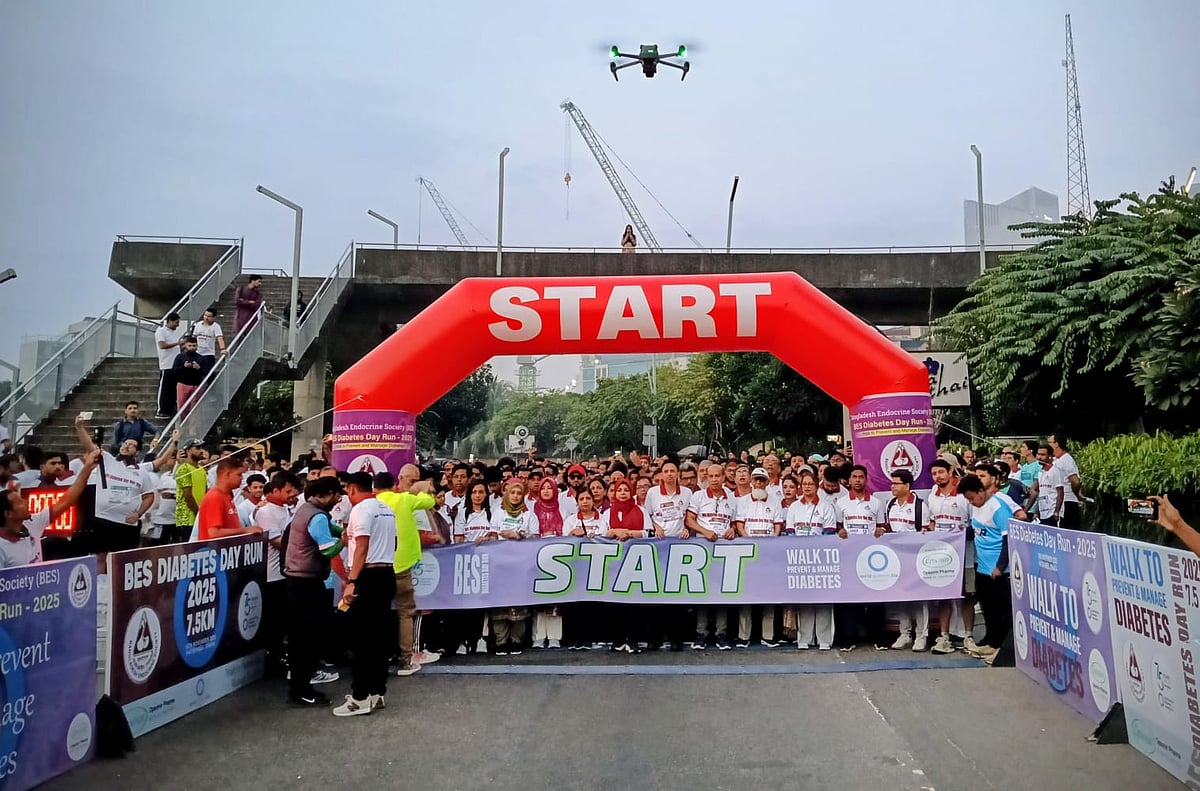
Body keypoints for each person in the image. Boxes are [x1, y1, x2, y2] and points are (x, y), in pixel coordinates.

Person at [334, 472, 398, 716]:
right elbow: (394, 542)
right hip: (386, 573)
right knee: (378, 637)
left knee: (361, 640)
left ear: (351, 489)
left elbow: (361, 546)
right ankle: (376, 692)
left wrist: (352, 580)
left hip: (367, 577)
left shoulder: (360, 510)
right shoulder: (386, 508)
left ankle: (359, 697)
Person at [282, 476, 346, 705]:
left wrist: (343, 531)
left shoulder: (306, 509)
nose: (338, 499)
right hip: (305, 583)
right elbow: (328, 550)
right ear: (327, 493)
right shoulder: (316, 516)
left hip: (298, 581)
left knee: (304, 636)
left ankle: (301, 686)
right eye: (336, 495)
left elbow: (331, 529)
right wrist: (345, 541)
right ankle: (301, 690)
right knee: (306, 638)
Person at [957, 475, 1028, 662]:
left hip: (998, 570)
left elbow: (1008, 538)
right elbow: (976, 531)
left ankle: (1002, 646)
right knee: (987, 607)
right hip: (982, 566)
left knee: (1001, 610)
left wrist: (1000, 566)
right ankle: (990, 640)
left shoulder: (998, 507)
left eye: (972, 497)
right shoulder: (976, 507)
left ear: (981, 491)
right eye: (968, 499)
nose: (971, 502)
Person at [376, 464, 437, 675]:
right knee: (405, 613)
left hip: (377, 565)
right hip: (401, 564)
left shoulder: (371, 503)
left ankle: (378, 659)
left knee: (379, 613)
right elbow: (430, 501)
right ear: (397, 481)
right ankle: (404, 661)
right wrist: (421, 488)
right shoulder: (404, 500)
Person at [1, 449, 99, 569]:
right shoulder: (2, 547)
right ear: (8, 513)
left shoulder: (33, 524)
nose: (26, 502)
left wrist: (87, 468)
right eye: (19, 502)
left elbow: (67, 500)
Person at [926, 459, 976, 655]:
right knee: (944, 596)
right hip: (942, 557)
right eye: (934, 473)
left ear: (950, 471)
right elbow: (932, 523)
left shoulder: (964, 493)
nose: (938, 476)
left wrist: (962, 535)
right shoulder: (933, 495)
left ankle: (968, 636)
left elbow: (975, 524)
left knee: (967, 597)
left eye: (941, 472)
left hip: (967, 555)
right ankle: (944, 636)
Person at [255, 472, 302, 677]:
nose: (293, 495)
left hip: (286, 573)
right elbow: (276, 541)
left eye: (294, 491)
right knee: (273, 621)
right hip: (272, 574)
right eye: (288, 491)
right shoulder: (266, 512)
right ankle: (274, 660)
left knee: (284, 620)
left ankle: (282, 656)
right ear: (275, 490)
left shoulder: (286, 509)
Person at [686, 461, 737, 650]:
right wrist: (705, 531)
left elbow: (734, 523)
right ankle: (701, 633)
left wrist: (732, 530)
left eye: (718, 476)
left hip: (725, 551)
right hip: (703, 549)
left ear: (724, 477)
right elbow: (689, 520)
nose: (714, 480)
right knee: (703, 593)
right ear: (706, 477)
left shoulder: (731, 497)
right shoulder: (699, 496)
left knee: (722, 592)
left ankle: (721, 633)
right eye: (711, 476)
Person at [785, 471, 838, 649]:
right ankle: (805, 638)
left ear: (817, 486)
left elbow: (830, 532)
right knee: (805, 598)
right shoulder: (794, 507)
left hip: (821, 558)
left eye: (810, 483)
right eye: (804, 483)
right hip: (800, 558)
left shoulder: (826, 506)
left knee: (823, 598)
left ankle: (824, 639)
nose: (807, 486)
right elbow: (790, 532)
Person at [734, 468, 783, 648]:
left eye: (762, 480)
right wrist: (748, 542)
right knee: (746, 594)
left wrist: (773, 542)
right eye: (756, 480)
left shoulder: (775, 501)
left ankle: (767, 636)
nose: (759, 483)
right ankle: (743, 636)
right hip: (749, 552)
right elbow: (740, 525)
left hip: (769, 553)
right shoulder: (742, 501)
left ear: (767, 482)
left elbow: (778, 525)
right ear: (751, 481)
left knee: (768, 594)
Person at [486, 478, 535, 655]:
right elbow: (492, 534)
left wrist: (521, 536)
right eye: (512, 493)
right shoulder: (498, 513)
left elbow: (536, 538)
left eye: (519, 493)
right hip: (500, 565)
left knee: (518, 603)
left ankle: (516, 641)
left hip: (520, 566)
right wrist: (502, 534)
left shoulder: (529, 514)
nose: (515, 496)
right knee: (500, 603)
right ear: (507, 494)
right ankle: (501, 641)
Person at [882, 469, 929, 651]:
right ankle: (905, 633)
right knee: (901, 596)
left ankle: (921, 636)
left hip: (916, 558)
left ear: (907, 486)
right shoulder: (891, 504)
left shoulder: (920, 506)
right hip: (897, 558)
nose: (892, 486)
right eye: (892, 483)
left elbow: (925, 533)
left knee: (920, 598)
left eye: (896, 483)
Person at [530, 477, 566, 649]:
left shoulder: (561, 510)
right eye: (542, 488)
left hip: (557, 557)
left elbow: (565, 532)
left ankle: (554, 636)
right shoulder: (533, 509)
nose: (545, 491)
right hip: (537, 556)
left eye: (549, 488)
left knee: (555, 598)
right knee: (539, 598)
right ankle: (538, 636)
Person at [198, 457, 258, 540]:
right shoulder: (215, 496)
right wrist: (245, 530)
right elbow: (214, 533)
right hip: (216, 551)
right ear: (227, 474)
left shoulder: (227, 495)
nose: (242, 478)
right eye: (239, 474)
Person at [1047, 433, 1083, 529]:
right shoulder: (1055, 460)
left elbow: (1075, 481)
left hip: (1068, 502)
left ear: (1056, 444)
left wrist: (1078, 495)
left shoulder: (1066, 460)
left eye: (1049, 442)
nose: (1048, 445)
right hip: (1059, 502)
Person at [154, 313, 186, 418]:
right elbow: (162, 345)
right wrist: (178, 344)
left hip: (175, 365)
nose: (177, 325)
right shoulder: (161, 331)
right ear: (170, 321)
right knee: (164, 388)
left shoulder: (175, 333)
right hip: (166, 364)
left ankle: (171, 408)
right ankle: (161, 409)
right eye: (176, 322)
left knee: (173, 389)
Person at [1026, 445, 1065, 526]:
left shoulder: (1055, 471)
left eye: (1043, 455)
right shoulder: (1040, 472)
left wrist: (1057, 511)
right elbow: (1041, 494)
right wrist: (1036, 512)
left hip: (1052, 513)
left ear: (1050, 456)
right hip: (1043, 513)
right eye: (1038, 454)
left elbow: (1060, 491)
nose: (1039, 457)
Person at [172, 336, 206, 416]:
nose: (192, 348)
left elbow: (206, 372)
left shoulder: (201, 358)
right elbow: (174, 370)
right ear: (185, 345)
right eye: (190, 346)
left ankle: (193, 427)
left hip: (196, 385)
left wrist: (198, 368)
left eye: (194, 346)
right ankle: (181, 426)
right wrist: (184, 366)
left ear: (197, 346)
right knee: (181, 407)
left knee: (195, 409)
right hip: (183, 384)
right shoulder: (180, 357)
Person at [192, 308, 226, 372]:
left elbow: (220, 338)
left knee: (208, 372)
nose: (206, 318)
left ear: (214, 317)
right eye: (205, 315)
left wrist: (222, 349)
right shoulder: (198, 325)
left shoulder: (216, 326)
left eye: (209, 316)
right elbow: (194, 337)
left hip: (208, 353)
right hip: (197, 352)